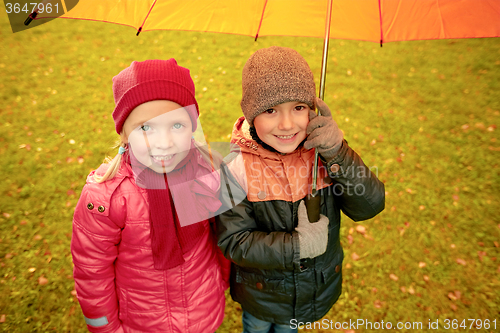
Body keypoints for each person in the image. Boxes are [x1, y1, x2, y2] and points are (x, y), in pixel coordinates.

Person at [216, 46, 385, 333]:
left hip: (311, 289)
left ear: (312, 108)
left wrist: (338, 153)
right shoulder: (235, 168)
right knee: (255, 328)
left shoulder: (327, 156)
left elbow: (370, 205)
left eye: (298, 108)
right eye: (270, 110)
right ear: (250, 114)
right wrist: (297, 246)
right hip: (260, 294)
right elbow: (234, 241)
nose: (286, 124)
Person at [71, 59, 229, 333]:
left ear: (192, 128)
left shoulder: (206, 170)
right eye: (145, 127)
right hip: (142, 322)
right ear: (123, 134)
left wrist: (225, 281)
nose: (164, 142)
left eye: (177, 126)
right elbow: (92, 272)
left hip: (203, 309)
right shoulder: (108, 197)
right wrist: (104, 328)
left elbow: (225, 236)